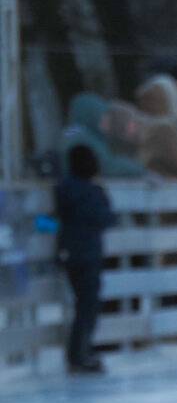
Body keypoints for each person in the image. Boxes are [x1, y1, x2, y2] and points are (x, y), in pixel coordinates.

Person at [54, 145, 117, 374]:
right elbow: (107, 218)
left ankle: (78, 353)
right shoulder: (92, 191)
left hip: (70, 253)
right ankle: (80, 355)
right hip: (89, 254)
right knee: (87, 307)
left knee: (82, 306)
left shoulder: (64, 187)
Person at [58, 93, 146, 179]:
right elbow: (108, 168)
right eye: (103, 116)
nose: (107, 120)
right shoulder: (83, 139)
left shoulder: (76, 134)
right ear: (91, 115)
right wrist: (139, 168)